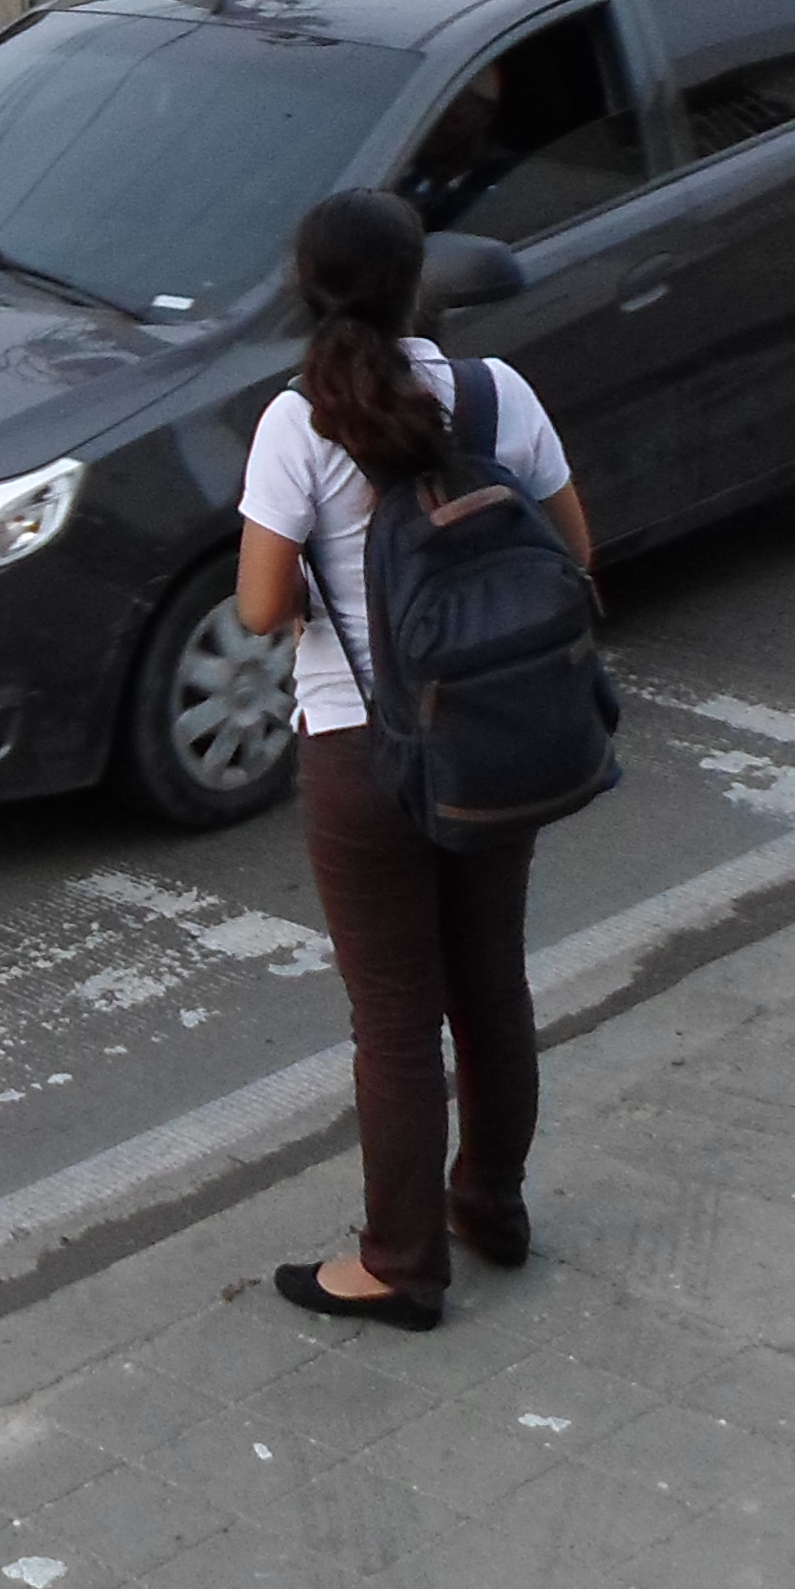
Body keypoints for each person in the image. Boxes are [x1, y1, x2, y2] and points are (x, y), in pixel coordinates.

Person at [231, 188, 594, 1332]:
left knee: (394, 1017)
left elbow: (257, 607)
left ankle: (399, 1264)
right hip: (489, 736)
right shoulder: (494, 394)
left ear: (307, 288)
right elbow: (575, 556)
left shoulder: (300, 424)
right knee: (492, 982)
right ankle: (490, 1207)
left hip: (357, 749)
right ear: (414, 284)